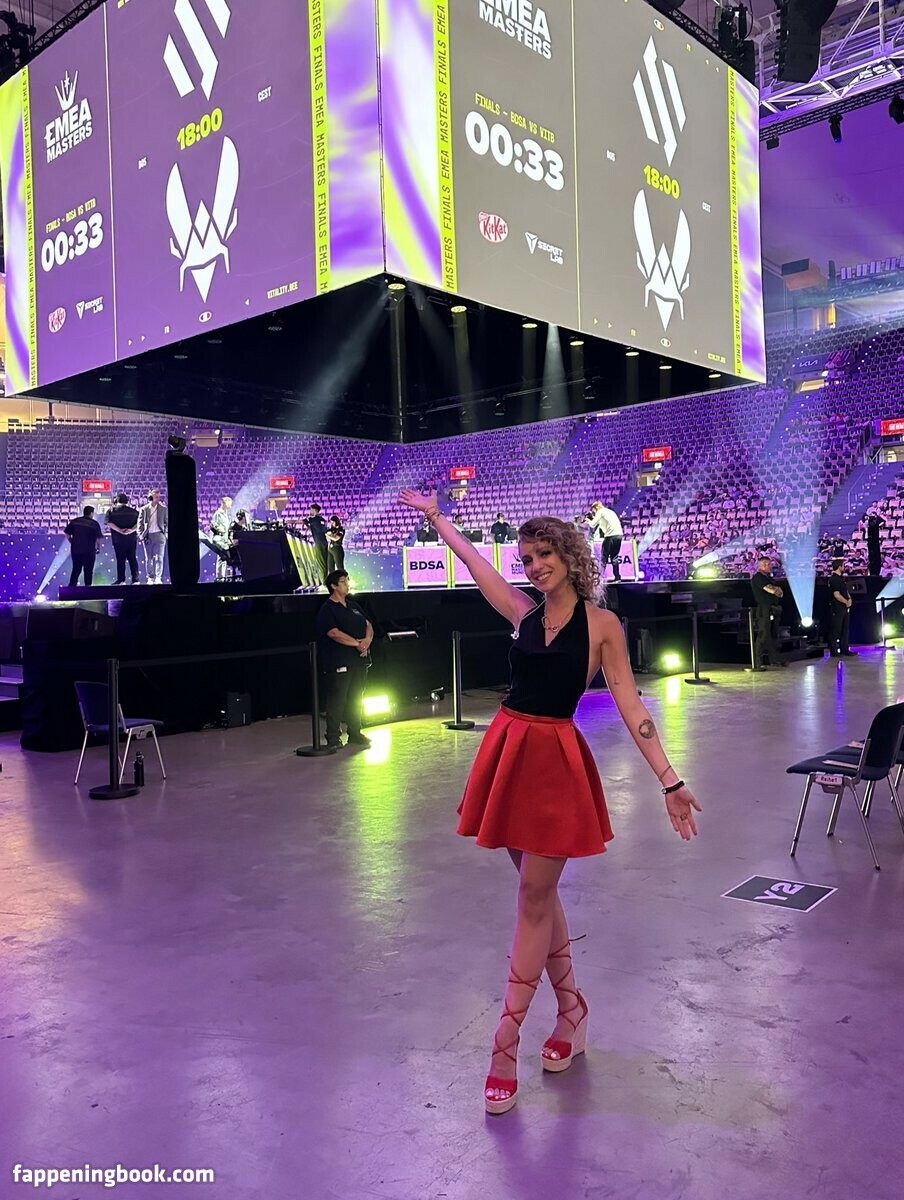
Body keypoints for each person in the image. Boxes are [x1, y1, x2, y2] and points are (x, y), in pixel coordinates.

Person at [398, 487, 700, 1115]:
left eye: (544, 555)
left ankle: (504, 1046)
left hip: (554, 762)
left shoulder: (602, 626)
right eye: (528, 558)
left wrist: (670, 781)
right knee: (539, 893)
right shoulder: (523, 612)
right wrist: (436, 518)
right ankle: (572, 1011)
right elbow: (474, 563)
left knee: (534, 898)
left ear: (569, 556)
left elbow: (632, 706)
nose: (535, 566)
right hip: (508, 752)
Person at [316, 569, 374, 748]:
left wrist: (367, 641)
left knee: (356, 696)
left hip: (359, 660)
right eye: (343, 581)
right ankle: (333, 737)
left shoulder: (353, 606)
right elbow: (333, 633)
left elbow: (368, 624)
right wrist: (356, 644)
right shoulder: (328, 609)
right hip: (340, 660)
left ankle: (355, 732)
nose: (347, 584)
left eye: (347, 580)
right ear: (333, 586)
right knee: (338, 698)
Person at [750, 555, 784, 669]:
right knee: (763, 635)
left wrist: (776, 590)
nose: (769, 566)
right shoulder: (758, 578)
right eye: (767, 564)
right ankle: (757, 662)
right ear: (761, 565)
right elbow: (772, 590)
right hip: (764, 609)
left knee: (773, 635)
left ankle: (774, 659)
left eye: (770, 564)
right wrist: (775, 590)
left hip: (773, 608)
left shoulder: (769, 578)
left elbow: (780, 592)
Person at [64, 505, 104, 587]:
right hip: (89, 551)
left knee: (76, 570)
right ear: (91, 513)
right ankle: (88, 589)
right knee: (88, 571)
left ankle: (71, 589)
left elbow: (67, 533)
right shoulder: (94, 524)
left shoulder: (75, 521)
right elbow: (98, 538)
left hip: (76, 550)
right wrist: (98, 548)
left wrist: (72, 542)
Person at [105, 492, 140, 584]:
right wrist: (131, 530)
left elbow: (108, 523)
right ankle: (135, 579)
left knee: (120, 559)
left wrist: (120, 530)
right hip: (131, 539)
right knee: (132, 558)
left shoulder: (111, 511)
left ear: (117, 500)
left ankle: (121, 580)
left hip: (118, 540)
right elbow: (140, 523)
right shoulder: (134, 512)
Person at [584, 501, 624, 581]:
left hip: (610, 536)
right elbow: (603, 524)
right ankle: (617, 577)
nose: (594, 513)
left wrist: (587, 521)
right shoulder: (610, 511)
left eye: (594, 511)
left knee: (603, 557)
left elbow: (593, 524)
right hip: (618, 535)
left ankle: (600, 577)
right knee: (614, 557)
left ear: (596, 508)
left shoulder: (600, 512)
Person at [138, 488, 168, 584]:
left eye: (159, 497)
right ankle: (150, 578)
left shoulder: (164, 509)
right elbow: (140, 524)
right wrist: (141, 535)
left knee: (159, 558)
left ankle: (158, 577)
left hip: (160, 535)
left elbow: (167, 522)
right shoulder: (144, 509)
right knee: (149, 559)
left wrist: (165, 534)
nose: (158, 499)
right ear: (150, 497)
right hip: (148, 536)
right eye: (156, 497)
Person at [829, 559, 856, 657]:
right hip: (837, 608)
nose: (844, 567)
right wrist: (846, 601)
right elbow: (836, 595)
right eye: (843, 565)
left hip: (844, 607)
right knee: (836, 629)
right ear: (839, 567)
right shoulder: (834, 579)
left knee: (845, 629)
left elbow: (845, 590)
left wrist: (850, 599)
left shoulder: (841, 579)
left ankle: (845, 649)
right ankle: (834, 651)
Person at [209, 496, 234, 582]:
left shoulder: (225, 514)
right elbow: (213, 525)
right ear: (225, 503)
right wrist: (220, 530)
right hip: (219, 539)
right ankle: (220, 578)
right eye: (229, 503)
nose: (231, 505)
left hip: (225, 539)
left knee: (222, 558)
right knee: (224, 555)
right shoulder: (218, 513)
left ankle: (220, 577)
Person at [306, 503, 329, 584]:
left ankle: (324, 582)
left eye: (311, 509)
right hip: (324, 542)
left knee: (321, 562)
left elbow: (302, 521)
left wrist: (288, 521)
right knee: (324, 562)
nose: (310, 511)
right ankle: (325, 580)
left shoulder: (313, 519)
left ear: (314, 510)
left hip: (319, 543)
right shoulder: (323, 520)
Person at [866, 508, 886, 577]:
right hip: (871, 539)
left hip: (875, 539)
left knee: (875, 554)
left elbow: (883, 521)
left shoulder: (878, 520)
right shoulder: (869, 522)